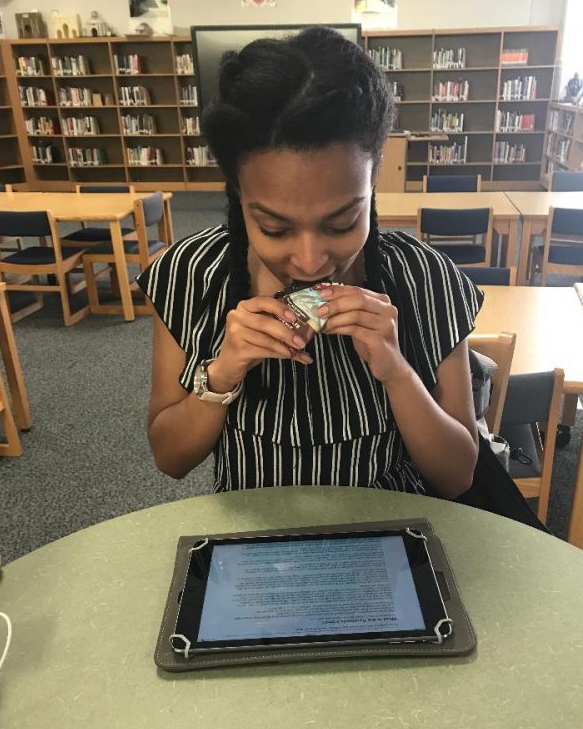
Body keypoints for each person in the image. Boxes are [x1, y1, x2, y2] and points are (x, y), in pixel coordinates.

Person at [137, 26, 483, 499]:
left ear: (374, 179)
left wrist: (396, 372)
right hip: (254, 544)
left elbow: (457, 475)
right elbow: (169, 459)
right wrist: (222, 374)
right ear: (238, 195)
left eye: (341, 224)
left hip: (389, 532)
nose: (310, 260)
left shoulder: (425, 277)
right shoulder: (189, 274)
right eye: (275, 229)